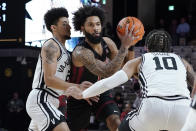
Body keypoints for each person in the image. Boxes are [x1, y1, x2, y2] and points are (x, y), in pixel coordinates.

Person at [82, 30, 195, 131]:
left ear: (146, 47)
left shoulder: (140, 60)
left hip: (153, 108)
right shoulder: (181, 61)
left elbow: (109, 83)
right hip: (183, 109)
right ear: (169, 48)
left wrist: (83, 94)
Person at [66, 5, 137, 131]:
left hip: (99, 91)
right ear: (82, 27)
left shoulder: (107, 43)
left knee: (115, 121)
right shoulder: (80, 52)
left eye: (98, 24)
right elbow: (107, 71)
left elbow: (125, 65)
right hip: (79, 95)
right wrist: (124, 47)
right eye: (91, 25)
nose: (96, 28)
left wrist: (131, 45)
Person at [26, 7, 91, 131]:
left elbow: (61, 85)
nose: (69, 27)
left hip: (53, 101)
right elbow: (49, 80)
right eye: (64, 24)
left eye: (69, 24)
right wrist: (78, 86)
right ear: (53, 27)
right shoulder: (51, 45)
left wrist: (80, 92)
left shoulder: (66, 52)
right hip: (42, 99)